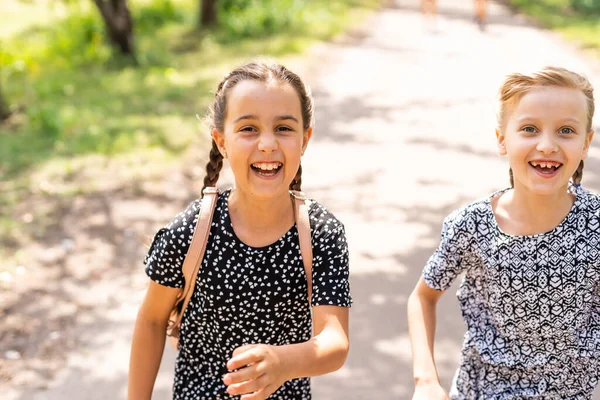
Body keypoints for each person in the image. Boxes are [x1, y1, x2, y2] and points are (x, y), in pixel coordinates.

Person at [128, 61, 352, 400]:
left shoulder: (321, 234)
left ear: (305, 138)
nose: (266, 144)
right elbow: (151, 321)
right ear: (221, 141)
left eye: (283, 128)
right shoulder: (191, 231)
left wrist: (283, 362)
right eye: (248, 129)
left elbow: (334, 342)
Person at [408, 66, 598, 399]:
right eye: (529, 129)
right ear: (501, 140)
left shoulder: (595, 224)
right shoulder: (472, 225)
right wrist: (425, 380)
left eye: (566, 130)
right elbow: (423, 296)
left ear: (586, 143)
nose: (547, 145)